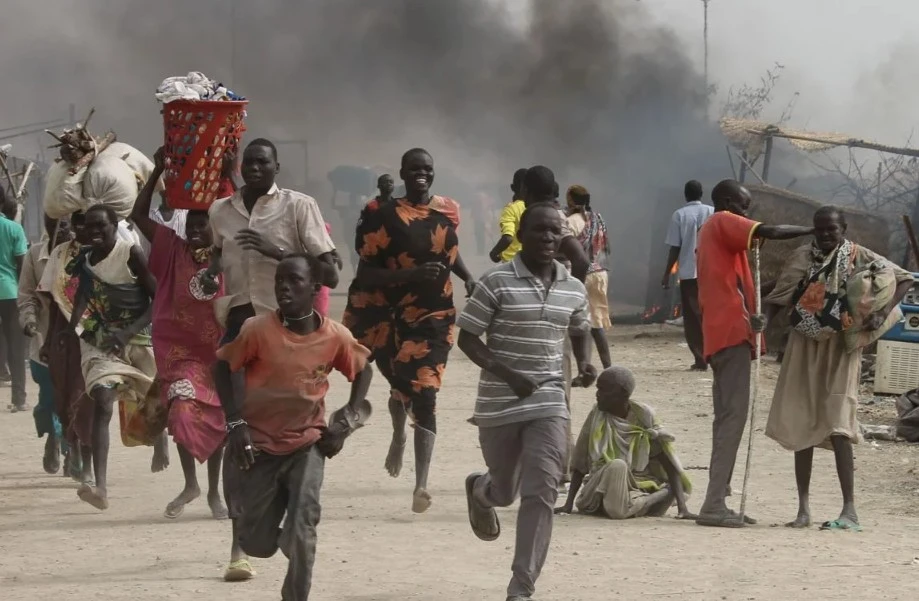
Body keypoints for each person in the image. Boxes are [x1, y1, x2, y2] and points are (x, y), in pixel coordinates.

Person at [207, 137, 339, 580]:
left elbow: (330, 270)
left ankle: (286, 521)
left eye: (265, 162)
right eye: (250, 162)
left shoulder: (299, 207)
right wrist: (208, 273)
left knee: (286, 431)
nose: (257, 168)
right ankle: (238, 546)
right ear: (241, 167)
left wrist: (275, 252)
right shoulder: (219, 211)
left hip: (288, 336)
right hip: (242, 330)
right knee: (237, 430)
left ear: (277, 166)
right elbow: (214, 259)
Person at [458, 202, 596, 601]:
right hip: (499, 404)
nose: (549, 238)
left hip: (549, 400)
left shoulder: (573, 286)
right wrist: (509, 375)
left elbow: (579, 328)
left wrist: (585, 363)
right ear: (521, 234)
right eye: (539, 230)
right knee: (506, 491)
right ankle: (482, 491)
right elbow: (467, 338)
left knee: (542, 489)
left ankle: (521, 586)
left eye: (556, 232)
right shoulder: (495, 282)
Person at [215, 252, 373, 600]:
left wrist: (346, 419)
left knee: (304, 528)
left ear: (314, 288)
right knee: (254, 541)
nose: (284, 287)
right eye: (279, 281)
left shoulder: (335, 336)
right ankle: (284, 536)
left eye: (294, 280)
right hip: (258, 447)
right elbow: (224, 368)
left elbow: (363, 370)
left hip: (308, 443)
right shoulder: (256, 330)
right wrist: (235, 421)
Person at [764, 206, 912, 532]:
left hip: (842, 347)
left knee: (839, 423)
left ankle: (850, 510)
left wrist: (881, 312)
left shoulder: (860, 256)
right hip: (804, 345)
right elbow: (780, 296)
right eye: (821, 230)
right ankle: (803, 508)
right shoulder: (803, 257)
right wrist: (762, 328)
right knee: (802, 418)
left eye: (832, 229)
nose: (826, 235)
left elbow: (903, 279)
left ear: (843, 229)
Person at [347, 147, 475, 514]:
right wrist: (411, 275)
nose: (422, 174)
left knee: (425, 390)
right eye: (414, 169)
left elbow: (448, 248)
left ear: (434, 173)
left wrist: (467, 277)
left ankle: (421, 484)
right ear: (403, 173)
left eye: (427, 169)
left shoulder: (449, 209)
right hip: (389, 314)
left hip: (434, 314)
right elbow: (366, 273)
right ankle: (399, 434)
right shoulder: (381, 215)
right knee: (401, 384)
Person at [694, 179, 813, 528]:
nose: (747, 214)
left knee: (727, 418)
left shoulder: (719, 238)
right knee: (732, 418)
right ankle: (714, 503)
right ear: (728, 202)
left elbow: (743, 287)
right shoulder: (722, 221)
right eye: (744, 206)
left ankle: (719, 497)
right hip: (729, 333)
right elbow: (771, 231)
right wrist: (811, 228)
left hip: (728, 332)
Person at [131, 148, 229, 520]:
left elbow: (236, 206)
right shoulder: (173, 248)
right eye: (193, 223)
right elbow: (139, 215)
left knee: (219, 419)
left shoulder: (226, 251)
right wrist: (157, 170)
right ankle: (191, 483)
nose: (198, 229)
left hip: (219, 352)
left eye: (204, 223)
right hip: (180, 355)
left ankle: (215, 492)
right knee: (184, 413)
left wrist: (225, 167)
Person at [64, 204, 168, 511]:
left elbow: (156, 298)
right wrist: (71, 330)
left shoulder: (130, 253)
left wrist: (127, 333)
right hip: (99, 339)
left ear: (114, 227)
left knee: (153, 399)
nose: (94, 233)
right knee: (104, 400)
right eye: (89, 228)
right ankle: (101, 487)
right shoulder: (83, 260)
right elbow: (82, 295)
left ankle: (158, 439)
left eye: (102, 227)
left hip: (137, 334)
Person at [555, 365, 694, 519]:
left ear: (622, 393)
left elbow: (667, 463)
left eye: (603, 390)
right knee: (617, 467)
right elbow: (580, 462)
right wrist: (568, 504)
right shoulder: (597, 415)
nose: (597, 394)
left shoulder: (643, 417)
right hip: (598, 489)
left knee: (617, 496)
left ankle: (630, 504)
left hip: (635, 488)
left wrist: (683, 507)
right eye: (598, 389)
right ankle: (657, 497)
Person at [39, 211, 92, 484]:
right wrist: (48, 340)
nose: (81, 229)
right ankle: (71, 446)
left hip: (92, 335)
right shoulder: (60, 254)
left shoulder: (102, 250)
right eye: (77, 223)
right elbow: (52, 301)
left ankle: (85, 458)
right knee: (62, 398)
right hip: (63, 335)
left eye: (86, 223)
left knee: (83, 397)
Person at [18, 214, 73, 474]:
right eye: (56, 223)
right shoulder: (35, 255)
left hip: (75, 341)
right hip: (43, 342)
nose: (62, 228)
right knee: (49, 400)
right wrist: (28, 320)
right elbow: (27, 293)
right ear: (48, 226)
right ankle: (53, 436)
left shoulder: (82, 253)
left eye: (67, 223)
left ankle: (72, 450)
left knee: (75, 399)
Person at [662, 179, 713, 370]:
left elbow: (675, 248)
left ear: (685, 195)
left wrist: (667, 273)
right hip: (710, 271)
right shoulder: (713, 212)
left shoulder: (679, 215)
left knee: (692, 318)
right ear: (702, 194)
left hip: (689, 272)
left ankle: (700, 358)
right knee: (709, 314)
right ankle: (713, 354)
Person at [566, 184, 612, 370]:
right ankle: (607, 367)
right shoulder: (598, 218)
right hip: (600, 273)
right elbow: (607, 246)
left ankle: (583, 368)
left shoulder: (572, 221)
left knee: (580, 323)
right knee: (597, 322)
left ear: (571, 200)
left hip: (582, 274)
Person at [0, 191, 28, 412]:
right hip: (10, 292)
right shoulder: (13, 228)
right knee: (16, 347)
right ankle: (18, 398)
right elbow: (22, 266)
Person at [489, 168, 528, 264]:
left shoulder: (511, 209)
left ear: (512, 187)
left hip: (512, 262)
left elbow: (508, 238)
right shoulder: (537, 207)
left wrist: (493, 253)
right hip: (532, 260)